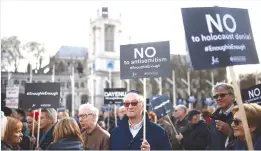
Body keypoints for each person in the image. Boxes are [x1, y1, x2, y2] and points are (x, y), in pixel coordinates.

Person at [208, 83, 236, 150]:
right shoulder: (214, 117)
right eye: (216, 96)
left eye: (222, 95)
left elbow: (250, 140)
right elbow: (211, 142)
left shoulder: (243, 114)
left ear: (232, 97)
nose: (219, 98)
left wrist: (230, 133)